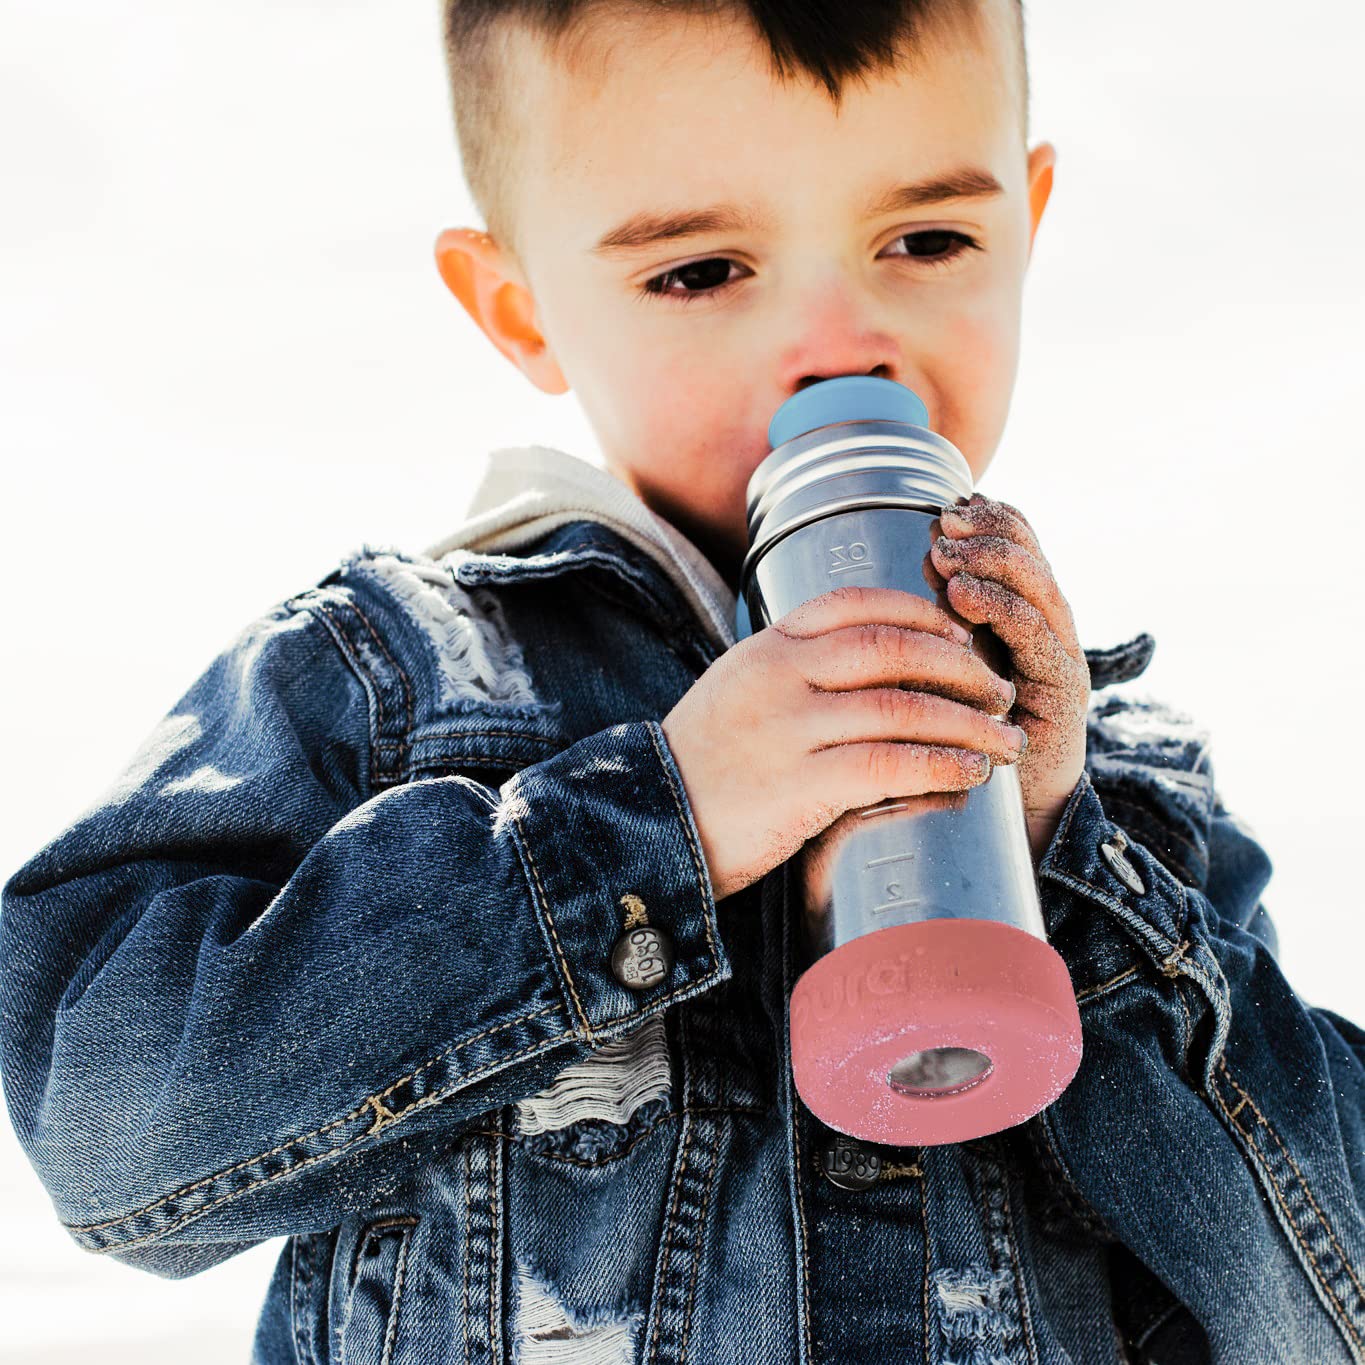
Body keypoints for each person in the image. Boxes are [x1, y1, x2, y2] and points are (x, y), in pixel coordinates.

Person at [2, 1, 1362, 1360]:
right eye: (703, 271)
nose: (841, 343)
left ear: (1026, 223)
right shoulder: (397, 678)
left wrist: (1072, 864)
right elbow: (107, 1126)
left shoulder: (1120, 782)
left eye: (927, 240)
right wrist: (658, 821)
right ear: (520, 308)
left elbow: (1325, 1299)